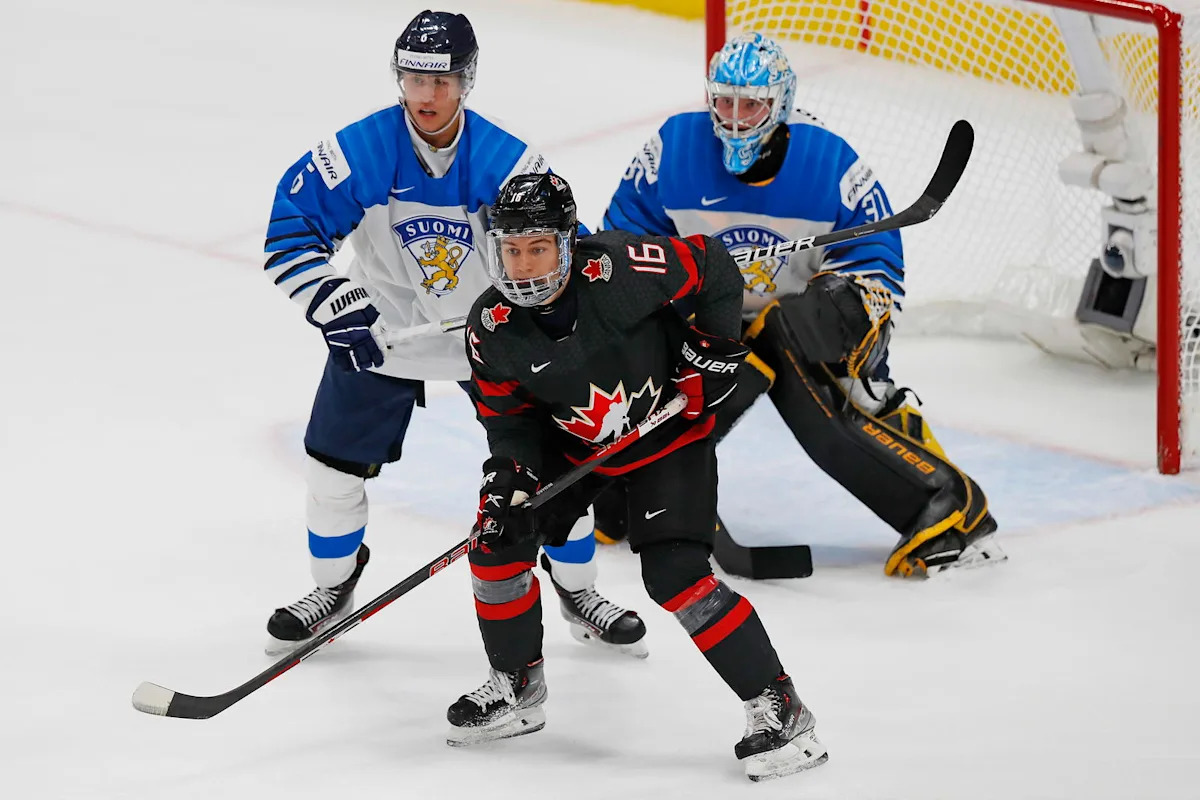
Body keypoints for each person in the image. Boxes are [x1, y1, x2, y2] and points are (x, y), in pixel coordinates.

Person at [260, 9, 645, 658]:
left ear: (466, 81)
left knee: (557, 465)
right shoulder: (360, 152)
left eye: (441, 81)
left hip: (496, 337)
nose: (427, 95)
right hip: (385, 334)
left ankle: (579, 590)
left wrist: (556, 313)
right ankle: (331, 589)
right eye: (415, 79)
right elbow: (289, 230)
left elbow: (559, 253)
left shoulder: (507, 161)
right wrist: (334, 301)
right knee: (331, 468)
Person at [448, 171, 827, 783]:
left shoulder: (622, 268)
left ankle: (782, 709)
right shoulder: (489, 326)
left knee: (675, 574)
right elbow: (509, 421)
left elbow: (715, 266)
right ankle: (517, 687)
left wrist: (712, 351)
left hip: (668, 434)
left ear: (568, 242)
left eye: (538, 248)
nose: (523, 266)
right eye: (511, 250)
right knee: (495, 544)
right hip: (576, 447)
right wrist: (511, 479)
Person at [595, 31, 1002, 578]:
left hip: (800, 323)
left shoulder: (828, 161)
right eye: (724, 102)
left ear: (780, 104)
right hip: (711, 317)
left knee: (807, 353)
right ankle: (630, 491)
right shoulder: (674, 148)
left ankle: (948, 509)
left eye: (750, 105)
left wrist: (841, 305)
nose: (734, 119)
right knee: (636, 367)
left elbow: (876, 261)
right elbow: (623, 242)